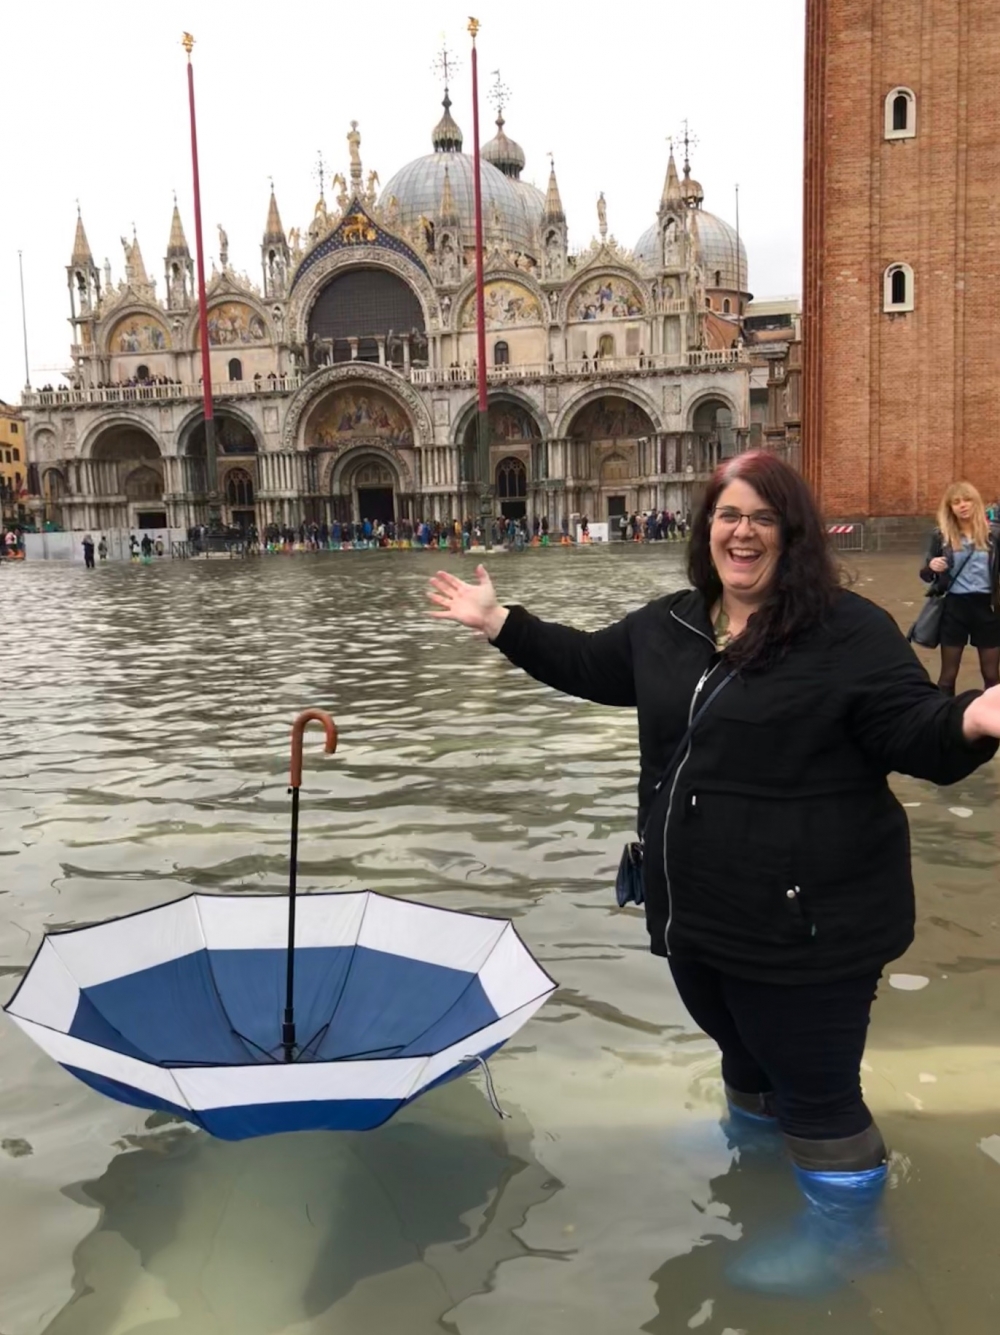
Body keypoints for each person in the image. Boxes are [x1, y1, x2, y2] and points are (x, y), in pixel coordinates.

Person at [427, 451, 1000, 1295]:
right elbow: (589, 664)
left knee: (820, 1093)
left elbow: (910, 730)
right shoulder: (673, 624)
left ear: (792, 534)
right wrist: (500, 619)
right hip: (699, 915)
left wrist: (972, 720)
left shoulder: (847, 631)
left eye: (762, 517)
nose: (741, 531)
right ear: (705, 532)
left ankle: (850, 1237)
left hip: (811, 928)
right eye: (727, 516)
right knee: (742, 1054)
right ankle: (756, 1158)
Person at [920, 481, 1000, 694]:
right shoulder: (941, 536)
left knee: (992, 675)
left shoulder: (993, 535)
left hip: (987, 608)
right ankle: (945, 721)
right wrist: (932, 566)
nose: (962, 505)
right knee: (947, 676)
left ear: (976, 503)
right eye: (956, 502)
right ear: (950, 508)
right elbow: (926, 575)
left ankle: (994, 722)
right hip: (954, 607)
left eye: (967, 500)